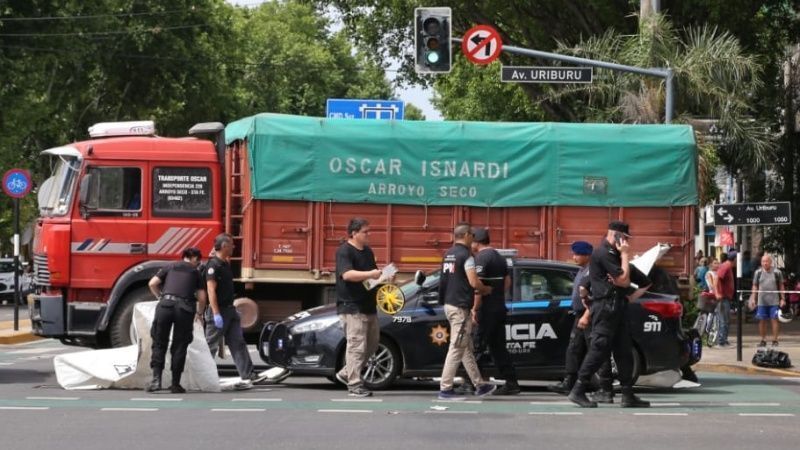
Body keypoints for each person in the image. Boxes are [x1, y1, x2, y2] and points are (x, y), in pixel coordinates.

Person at [567, 221, 651, 408]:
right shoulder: (603, 253)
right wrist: (625, 255)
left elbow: (643, 281)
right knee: (599, 348)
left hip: (618, 307)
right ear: (617, 236)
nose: (627, 243)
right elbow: (622, 280)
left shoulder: (616, 255)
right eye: (625, 239)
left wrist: (630, 298)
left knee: (623, 352)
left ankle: (628, 394)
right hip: (606, 308)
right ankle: (578, 390)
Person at [549, 241, 615, 403]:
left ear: (587, 255)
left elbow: (597, 297)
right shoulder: (581, 270)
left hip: (591, 316)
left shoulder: (593, 271)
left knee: (597, 351)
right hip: (580, 315)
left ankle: (606, 388)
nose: (574, 257)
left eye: (577, 254)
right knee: (574, 349)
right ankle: (569, 382)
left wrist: (587, 315)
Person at [437, 223, 496, 400]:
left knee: (465, 348)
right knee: (456, 348)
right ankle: (445, 389)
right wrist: (485, 289)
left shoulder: (448, 254)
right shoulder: (467, 256)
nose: (474, 238)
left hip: (449, 304)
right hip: (460, 307)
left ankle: (480, 385)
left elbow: (443, 280)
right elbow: (473, 281)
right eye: (472, 234)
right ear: (466, 235)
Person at [333, 217, 384, 398]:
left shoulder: (368, 252)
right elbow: (347, 275)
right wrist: (371, 273)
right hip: (352, 307)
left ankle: (346, 373)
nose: (368, 235)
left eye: (369, 231)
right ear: (354, 233)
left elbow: (371, 279)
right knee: (356, 346)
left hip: (369, 305)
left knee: (371, 345)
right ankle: (354, 384)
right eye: (365, 232)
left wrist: (382, 277)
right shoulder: (344, 251)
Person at [204, 233, 264, 384]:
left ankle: (248, 374)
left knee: (238, 343)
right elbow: (211, 291)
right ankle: (202, 376)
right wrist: (216, 314)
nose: (234, 247)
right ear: (224, 246)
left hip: (230, 311)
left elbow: (216, 249)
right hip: (220, 311)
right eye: (231, 244)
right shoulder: (213, 266)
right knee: (210, 345)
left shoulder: (224, 263)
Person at [145, 247, 205, 393]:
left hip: (165, 306)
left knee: (159, 343)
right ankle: (175, 384)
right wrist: (199, 313)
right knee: (180, 345)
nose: (198, 263)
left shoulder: (169, 266)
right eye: (198, 260)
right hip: (184, 309)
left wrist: (160, 297)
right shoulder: (196, 272)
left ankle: (156, 381)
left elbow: (152, 283)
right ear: (193, 258)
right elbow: (202, 298)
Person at [470, 227, 519, 395]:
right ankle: (511, 382)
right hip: (499, 307)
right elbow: (507, 281)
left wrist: (475, 308)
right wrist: (498, 295)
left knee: (477, 346)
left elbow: (479, 286)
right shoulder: (499, 257)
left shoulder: (482, 258)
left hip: (487, 308)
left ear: (477, 242)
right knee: (498, 347)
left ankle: (473, 383)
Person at [749, 254, 785, 347]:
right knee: (762, 320)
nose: (765, 263)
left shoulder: (777, 272)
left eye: (766, 261)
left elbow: (781, 286)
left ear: (770, 262)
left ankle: (775, 340)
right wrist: (753, 298)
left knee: (774, 320)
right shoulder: (758, 272)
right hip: (762, 301)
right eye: (763, 261)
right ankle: (763, 340)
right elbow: (755, 285)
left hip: (774, 300)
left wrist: (782, 299)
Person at [714, 250, 737, 347]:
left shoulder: (728, 267)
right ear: (735, 259)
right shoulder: (726, 266)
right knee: (723, 320)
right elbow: (716, 279)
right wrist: (718, 293)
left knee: (726, 320)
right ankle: (721, 342)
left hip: (726, 298)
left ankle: (724, 340)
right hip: (723, 298)